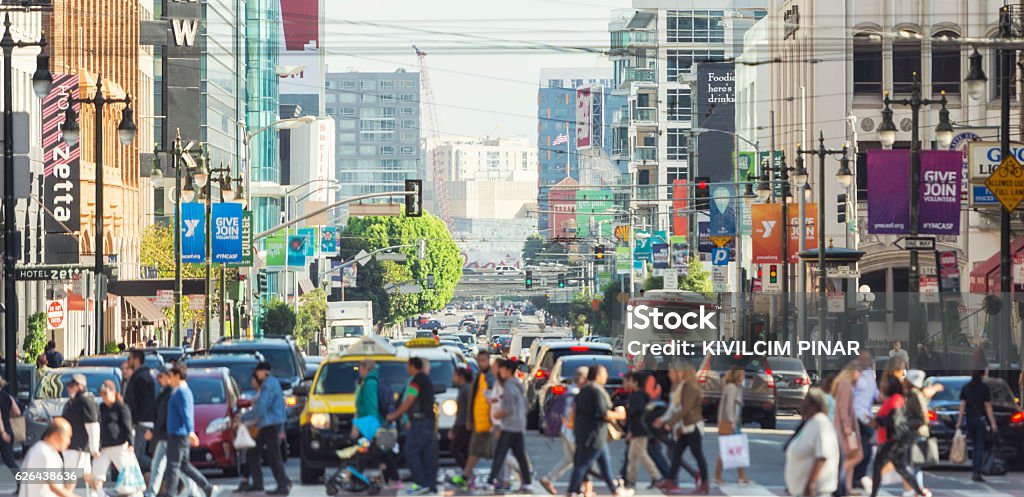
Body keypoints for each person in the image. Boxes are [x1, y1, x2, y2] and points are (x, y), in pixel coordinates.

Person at [566, 365, 632, 497]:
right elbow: (603, 413)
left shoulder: (584, 390)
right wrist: (619, 415)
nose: (606, 376)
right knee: (583, 464)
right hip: (594, 434)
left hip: (586, 432)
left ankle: (614, 490)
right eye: (604, 373)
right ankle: (572, 491)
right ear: (598, 376)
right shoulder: (596, 391)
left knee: (604, 464)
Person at [158, 365, 217, 497]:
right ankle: (207, 487)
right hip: (178, 434)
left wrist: (190, 431)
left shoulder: (182, 393)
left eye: (171, 376)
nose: (169, 379)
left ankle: (171, 494)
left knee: (172, 466)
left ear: (178, 376)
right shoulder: (179, 391)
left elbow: (186, 414)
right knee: (184, 465)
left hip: (179, 435)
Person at [863, 376, 926, 497]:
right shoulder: (893, 399)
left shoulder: (896, 399)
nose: (881, 385)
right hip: (893, 439)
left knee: (879, 468)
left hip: (893, 440)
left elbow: (894, 420)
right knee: (901, 469)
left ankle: (873, 494)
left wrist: (879, 421)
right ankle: (920, 492)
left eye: (884, 382)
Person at [654, 361, 708, 494]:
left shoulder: (689, 387)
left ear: (682, 372)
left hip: (692, 427)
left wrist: (670, 423)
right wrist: (668, 421)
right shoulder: (681, 386)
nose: (671, 374)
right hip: (684, 427)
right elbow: (675, 408)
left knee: (697, 455)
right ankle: (671, 480)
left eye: (674, 371)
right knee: (676, 454)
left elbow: (686, 408)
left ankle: (705, 482)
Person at [386, 357, 437, 496]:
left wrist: (395, 415)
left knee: (410, 451)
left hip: (420, 422)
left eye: (408, 366)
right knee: (426, 453)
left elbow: (408, 401)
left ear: (413, 366)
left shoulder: (416, 381)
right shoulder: (424, 379)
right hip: (428, 421)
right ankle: (430, 485)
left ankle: (420, 483)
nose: (406, 369)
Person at [240, 362, 290, 495]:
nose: (256, 374)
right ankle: (258, 483)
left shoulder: (268, 384)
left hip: (270, 424)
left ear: (263, 372)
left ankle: (282, 485)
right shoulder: (272, 383)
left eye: (257, 371)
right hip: (267, 424)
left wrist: (244, 418)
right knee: (253, 451)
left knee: (274, 456)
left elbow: (261, 408)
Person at [539, 366, 588, 495]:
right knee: (581, 460)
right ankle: (578, 488)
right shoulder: (576, 394)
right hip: (571, 432)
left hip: (565, 430)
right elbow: (570, 414)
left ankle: (548, 478)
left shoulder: (569, 392)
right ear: (582, 379)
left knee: (569, 459)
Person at [450, 351, 495, 490]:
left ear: (488, 360)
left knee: (498, 452)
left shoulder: (489, 379)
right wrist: (471, 419)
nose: (481, 363)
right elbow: (473, 402)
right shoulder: (478, 378)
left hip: (486, 422)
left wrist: (492, 420)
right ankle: (467, 477)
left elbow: (492, 400)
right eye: (479, 360)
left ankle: (468, 477)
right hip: (478, 422)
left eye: (483, 360)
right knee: (474, 452)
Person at [784, 388, 840, 497]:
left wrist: (810, 484)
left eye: (806, 401)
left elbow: (822, 456)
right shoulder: (810, 422)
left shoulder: (821, 423)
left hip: (815, 492)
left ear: (814, 406)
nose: (802, 404)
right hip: (800, 491)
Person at [487, 359, 532, 493]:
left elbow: (508, 408)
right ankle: (528, 482)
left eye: (501, 369)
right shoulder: (517, 385)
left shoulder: (508, 386)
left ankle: (490, 481)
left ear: (507, 370)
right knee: (519, 455)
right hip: (518, 424)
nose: (500, 372)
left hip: (509, 425)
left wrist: (497, 416)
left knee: (500, 454)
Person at [91, 380, 135, 492]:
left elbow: (127, 426)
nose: (103, 397)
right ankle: (97, 494)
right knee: (97, 474)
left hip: (119, 446)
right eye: (102, 394)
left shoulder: (121, 407)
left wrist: (131, 443)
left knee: (128, 474)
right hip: (104, 446)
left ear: (113, 392)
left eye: (105, 393)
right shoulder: (101, 407)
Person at [956, 369, 998, 483]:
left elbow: (962, 406)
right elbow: (988, 406)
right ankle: (977, 472)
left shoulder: (967, 387)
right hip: (980, 420)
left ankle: (975, 470)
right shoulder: (984, 388)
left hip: (970, 420)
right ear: (983, 374)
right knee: (979, 447)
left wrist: (959, 422)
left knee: (975, 446)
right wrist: (993, 423)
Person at [904, 370, 942, 496]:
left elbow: (924, 418)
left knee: (914, 463)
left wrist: (907, 422)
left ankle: (917, 490)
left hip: (917, 433)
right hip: (915, 432)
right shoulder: (912, 394)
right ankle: (918, 489)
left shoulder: (915, 395)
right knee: (914, 463)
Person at [20, 418, 80, 497]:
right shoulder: (44, 452)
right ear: (55, 435)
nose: (68, 441)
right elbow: (54, 487)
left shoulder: (41, 449)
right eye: (67, 436)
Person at [623, 372, 661, 489]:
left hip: (639, 430)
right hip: (639, 429)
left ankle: (656, 476)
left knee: (641, 454)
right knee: (632, 456)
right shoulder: (638, 395)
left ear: (634, 382)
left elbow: (636, 415)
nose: (624, 384)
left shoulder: (636, 396)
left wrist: (631, 431)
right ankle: (631, 479)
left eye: (626, 381)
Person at [61, 374, 99, 488]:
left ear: (79, 386)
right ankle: (99, 493)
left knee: (71, 476)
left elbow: (92, 424)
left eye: (71, 386)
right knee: (85, 474)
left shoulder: (85, 401)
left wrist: (94, 447)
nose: (68, 388)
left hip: (78, 445)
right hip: (74, 444)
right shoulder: (76, 401)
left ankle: (67, 495)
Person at [713, 366, 749, 485]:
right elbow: (729, 406)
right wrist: (732, 421)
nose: (744, 376)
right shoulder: (732, 388)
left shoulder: (735, 387)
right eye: (742, 374)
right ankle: (717, 476)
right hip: (729, 422)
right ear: (737, 375)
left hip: (734, 422)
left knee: (738, 448)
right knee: (726, 449)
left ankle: (742, 476)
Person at [832, 363, 863, 496]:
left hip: (846, 426)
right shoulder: (845, 384)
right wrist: (846, 426)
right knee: (857, 455)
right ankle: (838, 479)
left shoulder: (845, 383)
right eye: (859, 372)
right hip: (846, 428)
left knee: (850, 455)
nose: (860, 375)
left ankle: (848, 487)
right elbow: (843, 408)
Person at [125, 350, 156, 472]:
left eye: (129, 358)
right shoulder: (141, 376)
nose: (128, 361)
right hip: (142, 421)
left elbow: (144, 403)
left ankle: (161, 468)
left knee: (137, 456)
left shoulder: (141, 378)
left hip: (143, 422)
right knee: (137, 454)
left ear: (136, 360)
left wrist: (136, 419)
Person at [851, 351, 878, 489]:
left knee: (867, 449)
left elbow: (875, 395)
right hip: (854, 417)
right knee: (855, 449)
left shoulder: (870, 375)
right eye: (862, 359)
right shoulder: (854, 374)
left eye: (867, 359)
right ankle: (853, 477)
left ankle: (859, 477)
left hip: (866, 417)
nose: (865, 361)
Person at [144, 368, 172, 497]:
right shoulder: (164, 393)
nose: (158, 380)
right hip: (164, 434)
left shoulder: (171, 393)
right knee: (159, 465)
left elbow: (163, 416)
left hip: (167, 434)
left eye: (161, 377)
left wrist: (154, 432)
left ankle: (151, 492)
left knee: (159, 465)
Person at [450, 367, 473, 470]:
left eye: (455, 376)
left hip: (465, 424)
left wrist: (469, 421)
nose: (453, 378)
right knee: (463, 450)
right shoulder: (463, 389)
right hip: (461, 423)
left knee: (455, 449)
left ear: (461, 377)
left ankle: (467, 471)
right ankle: (467, 473)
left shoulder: (466, 389)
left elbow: (469, 407)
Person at [0, 377, 20, 469]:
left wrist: (2, 431)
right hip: (8, 430)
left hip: (2, 432)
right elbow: (17, 412)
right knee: (9, 459)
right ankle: (20, 480)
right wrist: (7, 416)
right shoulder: (7, 396)